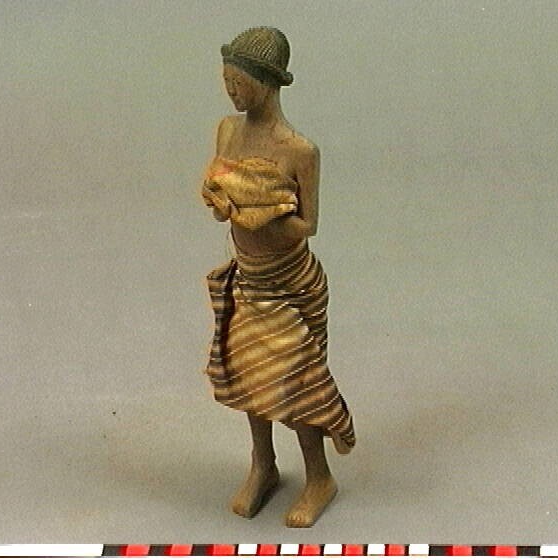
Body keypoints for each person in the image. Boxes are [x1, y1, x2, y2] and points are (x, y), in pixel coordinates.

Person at [201, 26, 355, 528]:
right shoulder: (228, 132)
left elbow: (307, 225)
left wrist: (258, 209)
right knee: (251, 373)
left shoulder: (298, 150)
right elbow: (219, 193)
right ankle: (263, 464)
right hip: (250, 279)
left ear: (267, 83)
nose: (231, 91)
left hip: (291, 285)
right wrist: (224, 200)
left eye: (240, 83)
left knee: (297, 381)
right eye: (226, 81)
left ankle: (319, 477)